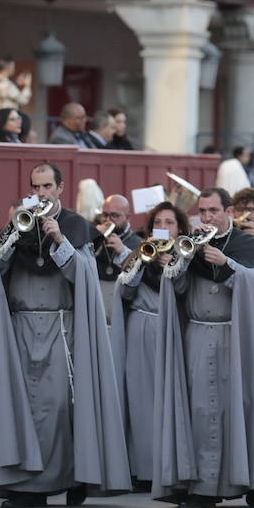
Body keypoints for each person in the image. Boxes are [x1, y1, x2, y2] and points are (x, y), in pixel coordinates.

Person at [0, 162, 129, 508]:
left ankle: (73, 477)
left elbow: (86, 278)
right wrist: (11, 240)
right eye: (36, 187)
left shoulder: (75, 226)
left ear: (60, 188)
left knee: (60, 405)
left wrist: (60, 240)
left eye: (47, 187)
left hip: (61, 327)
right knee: (24, 405)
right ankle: (29, 487)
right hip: (21, 327)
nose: (41, 194)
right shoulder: (18, 225)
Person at [150, 190, 254, 508]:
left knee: (243, 410)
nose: (208, 217)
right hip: (199, 336)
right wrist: (180, 264)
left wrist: (227, 264)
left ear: (228, 211)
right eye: (202, 211)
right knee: (201, 412)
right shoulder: (191, 242)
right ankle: (203, 488)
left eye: (214, 210)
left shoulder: (248, 245)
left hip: (237, 337)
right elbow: (179, 292)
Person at [111, 201, 183, 492]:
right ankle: (142, 468)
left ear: (180, 229)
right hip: (142, 328)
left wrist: (173, 266)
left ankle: (171, 466)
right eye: (159, 222)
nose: (164, 227)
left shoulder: (187, 252)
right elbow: (126, 291)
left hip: (171, 329)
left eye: (170, 222)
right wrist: (141, 259)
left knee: (170, 400)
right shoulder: (141, 253)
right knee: (141, 401)